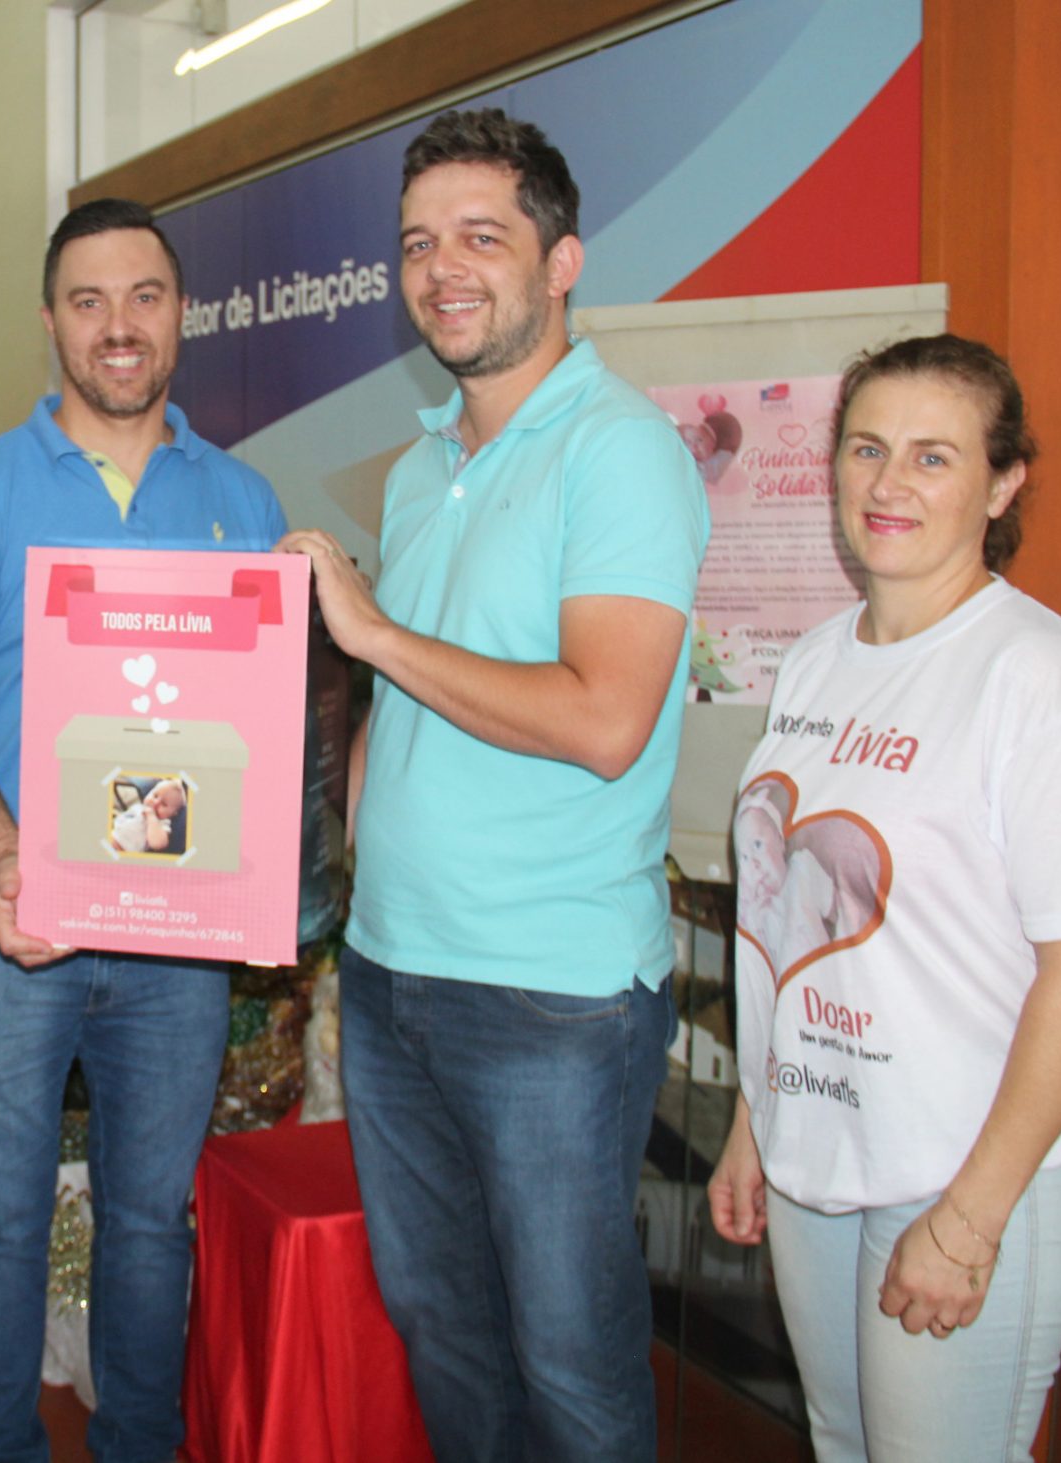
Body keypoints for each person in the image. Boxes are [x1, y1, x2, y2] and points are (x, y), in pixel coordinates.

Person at [280, 108, 707, 1460]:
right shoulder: (422, 466)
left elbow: (605, 718)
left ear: (561, 261)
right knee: (442, 1328)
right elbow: (410, 696)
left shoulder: (620, 449)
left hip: (547, 992)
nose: (441, 268)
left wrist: (371, 631)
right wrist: (337, 859)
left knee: (570, 1364)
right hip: (392, 969)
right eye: (417, 243)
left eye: (480, 236)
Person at [708, 335, 1061, 1461]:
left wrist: (967, 1219)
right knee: (841, 1444)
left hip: (962, 1174)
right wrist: (755, 1122)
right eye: (866, 448)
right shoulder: (816, 660)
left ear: (1001, 486)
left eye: (931, 456)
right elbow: (786, 915)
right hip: (818, 1151)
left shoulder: (1042, 681)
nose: (887, 483)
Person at [0, 198, 286, 1463]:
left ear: (181, 314)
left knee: (151, 1222)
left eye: (144, 296)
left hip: (178, 934)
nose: (118, 325)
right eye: (88, 300)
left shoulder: (241, 497)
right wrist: (13, 854)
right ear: (51, 320)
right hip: (1, 915)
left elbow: (264, 724)